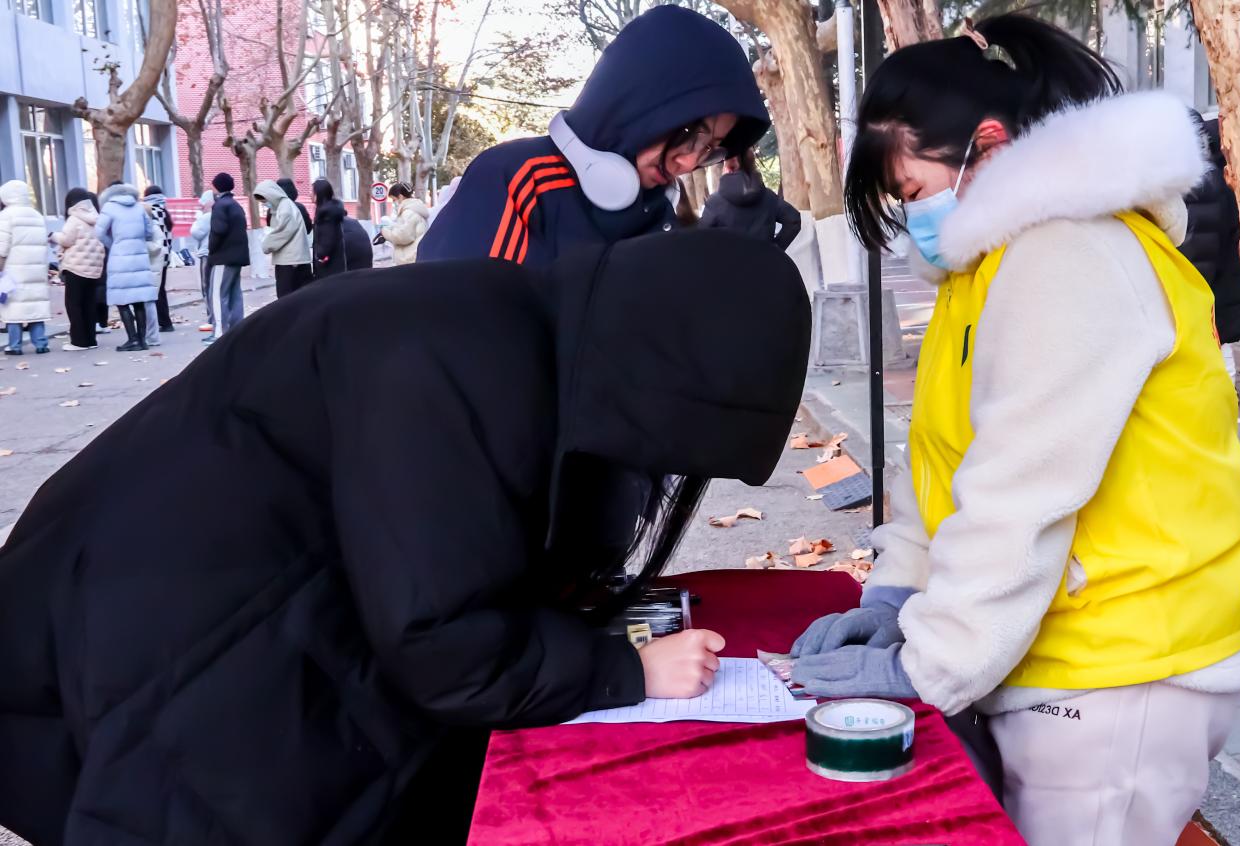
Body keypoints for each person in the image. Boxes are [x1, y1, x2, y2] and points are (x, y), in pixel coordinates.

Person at [0, 228, 811, 846]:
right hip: (163, 648)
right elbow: (441, 641)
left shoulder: (510, 325)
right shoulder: (458, 363)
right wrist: (624, 671)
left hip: (189, 610)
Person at [788, 15, 1240, 846]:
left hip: (1119, 667)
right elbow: (942, 463)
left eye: (912, 191)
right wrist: (897, 593)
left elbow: (1021, 490)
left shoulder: (1066, 252)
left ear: (989, 144)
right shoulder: (984, 269)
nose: (912, 218)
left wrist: (929, 659)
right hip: (1063, 659)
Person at [416, 5, 768, 266]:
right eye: (689, 133)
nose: (689, 162)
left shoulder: (662, 215)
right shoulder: (515, 180)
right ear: (639, 104)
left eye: (709, 149)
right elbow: (456, 324)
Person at [1180, 115, 1240, 381]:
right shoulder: (1222, 170)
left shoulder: (1191, 180)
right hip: (1225, 275)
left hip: (1200, 279)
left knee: (1208, 341)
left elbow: (1196, 242)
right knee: (1220, 342)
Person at [96, 182, 157, 352]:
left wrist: (114, 244)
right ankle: (142, 340)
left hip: (119, 259)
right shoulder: (138, 207)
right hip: (140, 258)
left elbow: (99, 233)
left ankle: (132, 339)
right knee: (139, 300)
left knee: (122, 301)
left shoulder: (109, 207)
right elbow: (149, 232)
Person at [699, 148, 801, 250]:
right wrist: (775, 249)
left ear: (728, 168)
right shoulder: (769, 196)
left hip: (728, 259)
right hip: (764, 259)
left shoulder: (715, 202)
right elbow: (793, 220)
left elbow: (701, 236)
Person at [0, 180, 52, 355]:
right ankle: (41, 343)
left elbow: (2, 247)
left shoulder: (6, 216)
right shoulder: (37, 215)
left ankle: (15, 346)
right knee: (35, 306)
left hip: (13, 269)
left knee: (14, 308)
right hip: (36, 269)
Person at [51, 187, 106, 351]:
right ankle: (90, 339)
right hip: (94, 268)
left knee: (74, 304)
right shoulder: (96, 218)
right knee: (89, 304)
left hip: (76, 268)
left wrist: (53, 236)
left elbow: (66, 240)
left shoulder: (74, 219)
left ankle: (78, 341)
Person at [207, 172, 250, 342]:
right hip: (237, 257)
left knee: (218, 294)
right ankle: (237, 330)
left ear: (218, 187)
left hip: (223, 257)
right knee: (235, 293)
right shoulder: (235, 205)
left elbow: (218, 230)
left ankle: (219, 332)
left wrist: (211, 250)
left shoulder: (220, 206)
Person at [254, 179, 313, 297]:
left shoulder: (285, 208)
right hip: (290, 259)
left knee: (287, 297)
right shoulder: (279, 207)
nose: (265, 204)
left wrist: (266, 244)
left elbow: (284, 232)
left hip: (291, 261)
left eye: (265, 200)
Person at [143, 185, 175, 336]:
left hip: (155, 256)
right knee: (161, 289)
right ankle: (165, 321)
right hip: (165, 256)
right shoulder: (164, 211)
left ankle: (164, 322)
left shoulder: (152, 212)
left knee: (156, 291)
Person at [379, 183, 429, 266]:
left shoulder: (409, 212)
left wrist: (384, 232)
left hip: (409, 260)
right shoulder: (414, 209)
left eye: (394, 199)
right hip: (414, 257)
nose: (394, 203)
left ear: (400, 196)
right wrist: (392, 227)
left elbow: (402, 236)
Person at [189, 189, 215, 331]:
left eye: (203, 203)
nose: (201, 206)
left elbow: (196, 233)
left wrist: (198, 220)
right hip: (212, 252)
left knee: (206, 286)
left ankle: (211, 318)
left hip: (205, 253)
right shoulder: (217, 214)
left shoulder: (206, 217)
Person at [312, 178, 347, 278]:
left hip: (328, 267)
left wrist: (320, 257)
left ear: (319, 193)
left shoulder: (327, 215)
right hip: (333, 265)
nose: (310, 194)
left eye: (312, 191)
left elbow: (327, 238)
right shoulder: (328, 211)